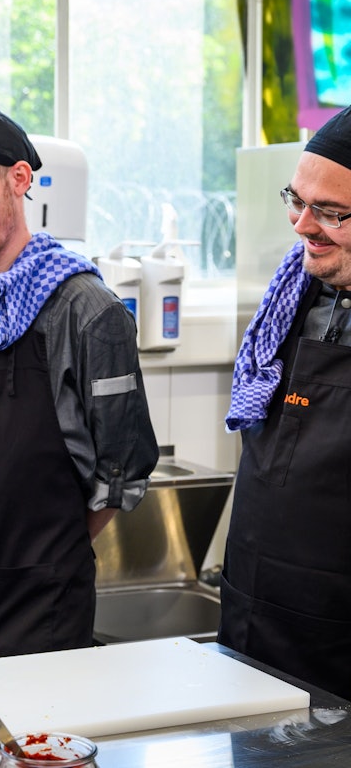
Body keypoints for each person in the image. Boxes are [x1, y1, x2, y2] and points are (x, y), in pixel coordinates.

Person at [0, 105, 159, 665]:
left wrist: (44, 555)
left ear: (19, 179)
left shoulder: (89, 313)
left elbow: (123, 467)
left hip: (43, 602)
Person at [221, 105, 351, 702]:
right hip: (252, 613)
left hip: (338, 638)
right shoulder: (289, 295)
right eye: (296, 201)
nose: (302, 225)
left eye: (329, 212)